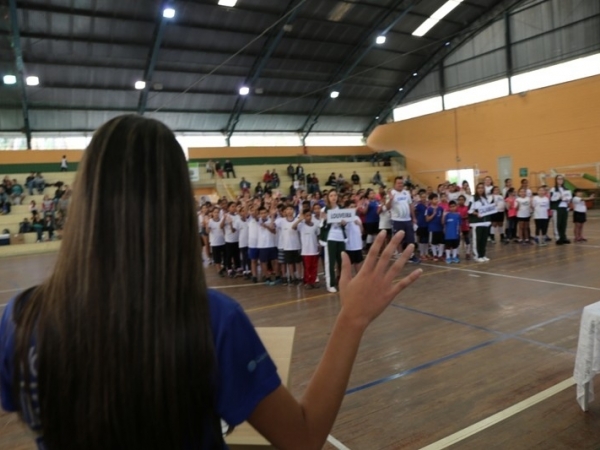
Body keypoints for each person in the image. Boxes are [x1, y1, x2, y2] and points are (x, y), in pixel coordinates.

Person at [0, 115, 424, 450]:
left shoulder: (18, 320)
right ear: (175, 204)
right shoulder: (209, 321)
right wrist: (351, 319)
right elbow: (303, 436)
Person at [319, 189, 346, 293]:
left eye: (335, 195)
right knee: (330, 262)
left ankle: (342, 282)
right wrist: (325, 219)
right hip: (330, 238)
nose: (333, 197)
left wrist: (344, 222)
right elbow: (321, 226)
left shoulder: (342, 209)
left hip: (341, 237)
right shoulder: (324, 210)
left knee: (342, 261)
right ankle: (330, 284)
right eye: (331, 195)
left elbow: (345, 223)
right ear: (328, 198)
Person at [387, 177, 419, 263]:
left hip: (407, 220)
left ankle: (411, 255)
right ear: (395, 184)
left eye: (401, 183)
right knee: (399, 239)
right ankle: (400, 256)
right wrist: (390, 200)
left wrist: (414, 218)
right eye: (398, 183)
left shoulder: (406, 193)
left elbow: (410, 205)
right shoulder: (391, 193)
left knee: (410, 239)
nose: (400, 184)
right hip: (397, 220)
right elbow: (387, 207)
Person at [275, 205, 302, 286]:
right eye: (287, 209)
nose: (289, 211)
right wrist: (272, 215)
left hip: (296, 245)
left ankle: (299, 277)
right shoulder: (281, 221)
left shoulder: (297, 220)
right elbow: (273, 225)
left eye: (291, 209)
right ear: (285, 212)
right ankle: (292, 277)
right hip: (287, 246)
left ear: (293, 211)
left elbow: (295, 228)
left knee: (298, 263)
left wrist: (299, 220)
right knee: (289, 263)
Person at [293, 209, 320, 289]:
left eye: (310, 215)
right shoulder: (301, 225)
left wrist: (319, 245)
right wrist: (299, 220)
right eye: (307, 216)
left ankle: (313, 281)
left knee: (314, 267)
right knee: (307, 267)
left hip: (314, 250)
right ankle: (307, 281)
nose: (309, 217)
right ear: (304, 216)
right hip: (306, 251)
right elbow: (293, 227)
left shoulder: (315, 225)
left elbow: (318, 235)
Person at [469, 182, 493, 262]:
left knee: (484, 240)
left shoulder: (485, 199)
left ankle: (483, 254)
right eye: (479, 188)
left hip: (485, 223)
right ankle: (477, 256)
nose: (480, 189)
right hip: (477, 223)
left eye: (482, 188)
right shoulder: (473, 198)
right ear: (476, 189)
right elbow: (469, 210)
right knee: (477, 240)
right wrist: (476, 214)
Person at [549, 175, 572, 245]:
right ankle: (558, 238)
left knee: (563, 223)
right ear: (556, 180)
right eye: (558, 179)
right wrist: (559, 197)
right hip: (557, 208)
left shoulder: (566, 189)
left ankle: (563, 237)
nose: (560, 180)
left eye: (561, 179)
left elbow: (569, 197)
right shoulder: (553, 189)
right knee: (557, 223)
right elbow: (551, 199)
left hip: (564, 207)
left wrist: (568, 200)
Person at [221, 202, 240, 278]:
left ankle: (238, 267)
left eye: (235, 206)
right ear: (228, 208)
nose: (234, 208)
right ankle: (229, 268)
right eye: (232, 206)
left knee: (236, 254)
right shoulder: (226, 216)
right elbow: (221, 226)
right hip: (229, 239)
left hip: (237, 239)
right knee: (229, 255)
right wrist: (224, 219)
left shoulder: (237, 216)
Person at [207, 208, 226, 276]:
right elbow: (207, 231)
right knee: (217, 257)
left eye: (217, 212)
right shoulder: (210, 221)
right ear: (212, 213)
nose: (216, 214)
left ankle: (223, 267)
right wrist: (207, 225)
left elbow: (223, 228)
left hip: (222, 241)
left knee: (224, 256)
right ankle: (219, 270)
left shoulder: (221, 220)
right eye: (215, 212)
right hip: (215, 243)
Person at [426, 193, 444, 262]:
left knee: (442, 242)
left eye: (437, 199)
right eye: (435, 199)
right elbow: (427, 219)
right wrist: (433, 214)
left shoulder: (440, 208)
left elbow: (442, 218)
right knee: (433, 243)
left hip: (440, 228)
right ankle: (435, 255)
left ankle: (440, 255)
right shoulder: (429, 209)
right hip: (433, 228)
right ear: (431, 200)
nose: (436, 200)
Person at [457, 195, 472, 259]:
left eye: (462, 200)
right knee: (457, 240)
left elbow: (468, 216)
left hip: (465, 226)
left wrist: (463, 217)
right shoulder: (456, 208)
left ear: (464, 200)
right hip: (458, 226)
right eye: (460, 200)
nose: (461, 201)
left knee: (467, 239)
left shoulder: (467, 208)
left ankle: (468, 253)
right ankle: (457, 253)